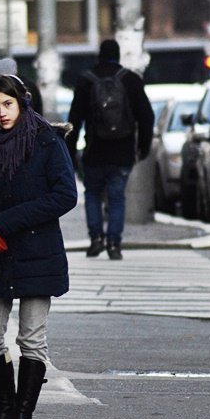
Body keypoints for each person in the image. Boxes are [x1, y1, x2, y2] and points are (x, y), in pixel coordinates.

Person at [0, 74, 77, 419]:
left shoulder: (46, 140)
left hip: (37, 251)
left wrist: (9, 222)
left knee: (32, 338)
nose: (1, 114)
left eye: (7, 105)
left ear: (22, 102)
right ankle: (6, 408)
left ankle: (24, 416)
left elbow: (65, 195)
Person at [68, 39, 155, 260]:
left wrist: (69, 152)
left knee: (93, 194)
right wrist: (142, 147)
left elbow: (74, 120)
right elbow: (147, 116)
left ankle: (96, 238)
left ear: (99, 55)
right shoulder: (131, 80)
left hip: (94, 151)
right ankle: (114, 243)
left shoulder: (86, 81)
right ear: (118, 55)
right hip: (122, 152)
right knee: (117, 197)